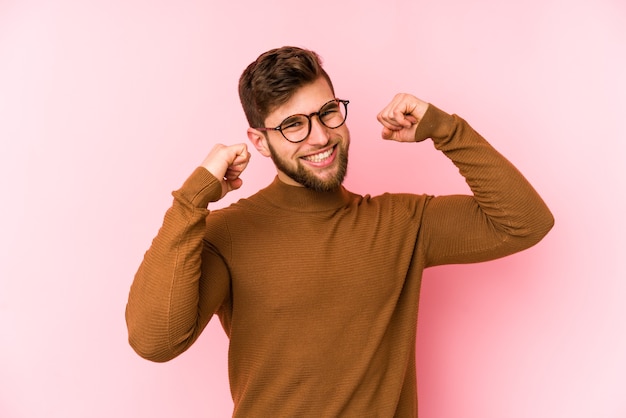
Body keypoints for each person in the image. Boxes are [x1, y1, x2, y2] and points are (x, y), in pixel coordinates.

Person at [125, 46, 554, 417]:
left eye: (328, 112)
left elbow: (525, 222)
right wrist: (191, 200)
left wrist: (447, 130)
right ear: (259, 141)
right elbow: (155, 342)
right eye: (293, 124)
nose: (320, 137)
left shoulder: (403, 222)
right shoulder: (227, 234)